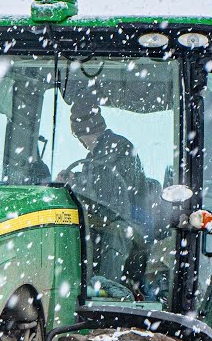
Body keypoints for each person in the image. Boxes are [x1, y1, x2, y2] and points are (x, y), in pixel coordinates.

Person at [57, 99, 149, 296]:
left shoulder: (120, 149)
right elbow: (97, 186)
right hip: (106, 217)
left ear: (83, 132)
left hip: (129, 220)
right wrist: (74, 180)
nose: (80, 141)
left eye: (80, 134)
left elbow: (112, 197)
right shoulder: (95, 155)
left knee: (116, 232)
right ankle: (73, 289)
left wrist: (78, 185)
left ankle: (107, 293)